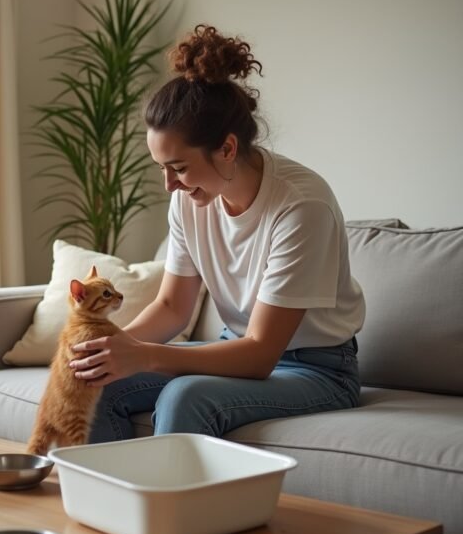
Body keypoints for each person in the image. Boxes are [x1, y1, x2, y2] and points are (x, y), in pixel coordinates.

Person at [69, 24, 366, 443]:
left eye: (179, 167)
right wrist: (105, 350)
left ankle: (166, 510)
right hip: (233, 347)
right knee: (96, 383)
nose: (169, 185)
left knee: (184, 396)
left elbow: (262, 353)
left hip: (316, 369)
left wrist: (146, 356)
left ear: (227, 148)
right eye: (162, 169)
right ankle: (109, 507)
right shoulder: (188, 200)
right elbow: (173, 306)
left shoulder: (301, 206)